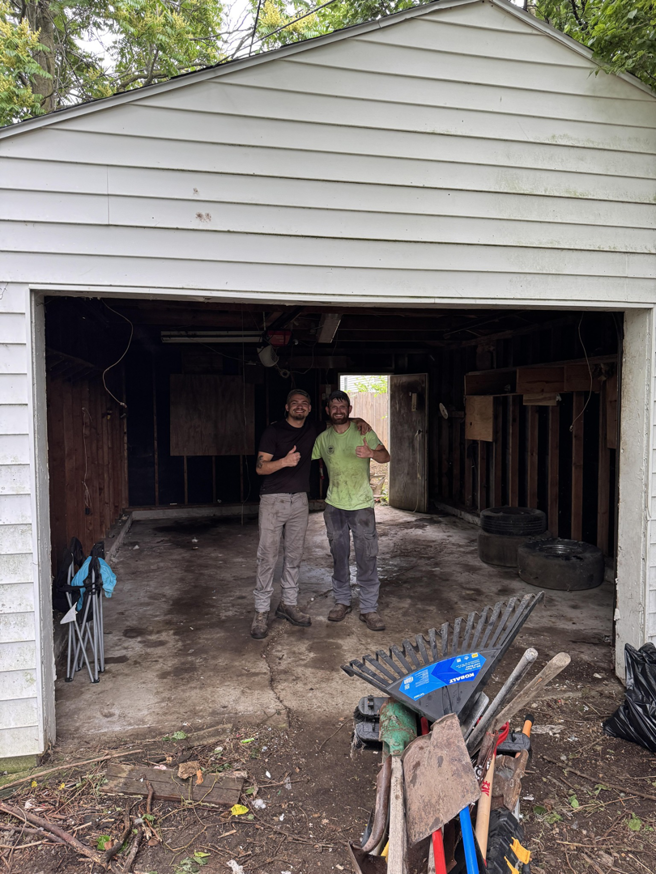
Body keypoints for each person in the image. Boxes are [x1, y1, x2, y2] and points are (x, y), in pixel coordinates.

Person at [251, 389, 370, 640]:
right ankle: (261, 612)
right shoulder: (273, 431)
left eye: (304, 403)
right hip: (273, 500)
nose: (300, 407)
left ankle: (288, 604)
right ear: (286, 407)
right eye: (294, 403)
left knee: (294, 556)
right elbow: (261, 468)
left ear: (310, 409)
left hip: (300, 501)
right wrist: (284, 461)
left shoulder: (315, 428)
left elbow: (340, 420)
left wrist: (360, 421)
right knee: (268, 556)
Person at [312, 390, 390, 632]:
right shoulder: (322, 439)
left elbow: (386, 456)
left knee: (367, 556)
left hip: (362, 506)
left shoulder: (363, 432)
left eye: (342, 406)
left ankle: (369, 608)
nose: (338, 411)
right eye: (333, 407)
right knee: (339, 555)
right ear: (327, 410)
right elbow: (308, 461)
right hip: (334, 506)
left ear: (349, 409)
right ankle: (342, 601)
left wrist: (371, 454)